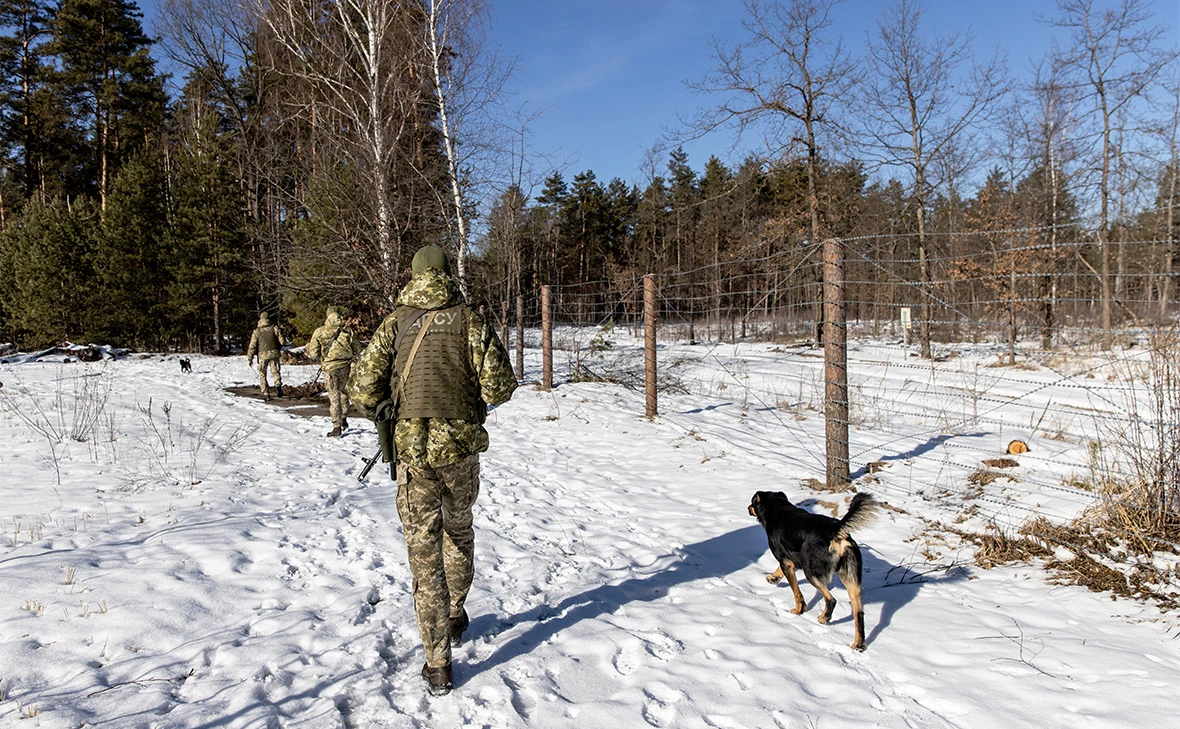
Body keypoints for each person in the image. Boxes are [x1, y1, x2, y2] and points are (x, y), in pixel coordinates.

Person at [348, 245, 517, 697]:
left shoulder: (396, 322)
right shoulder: (469, 320)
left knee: (424, 554)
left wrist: (385, 405)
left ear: (415, 275)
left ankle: (438, 663)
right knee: (458, 533)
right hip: (459, 453)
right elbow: (501, 386)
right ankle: (457, 612)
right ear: (446, 275)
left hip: (413, 457)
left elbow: (361, 386)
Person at [307, 306, 361, 437]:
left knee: (334, 396)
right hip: (346, 366)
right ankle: (344, 418)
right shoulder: (347, 331)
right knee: (344, 393)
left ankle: (336, 427)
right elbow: (357, 349)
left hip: (330, 368)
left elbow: (313, 353)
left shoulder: (320, 332)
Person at [247, 312, 286, 399]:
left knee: (262, 373)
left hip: (262, 355)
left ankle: (266, 392)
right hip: (274, 353)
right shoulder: (274, 328)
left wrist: (250, 358)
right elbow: (282, 341)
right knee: (275, 371)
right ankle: (278, 385)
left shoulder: (257, 331)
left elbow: (252, 346)